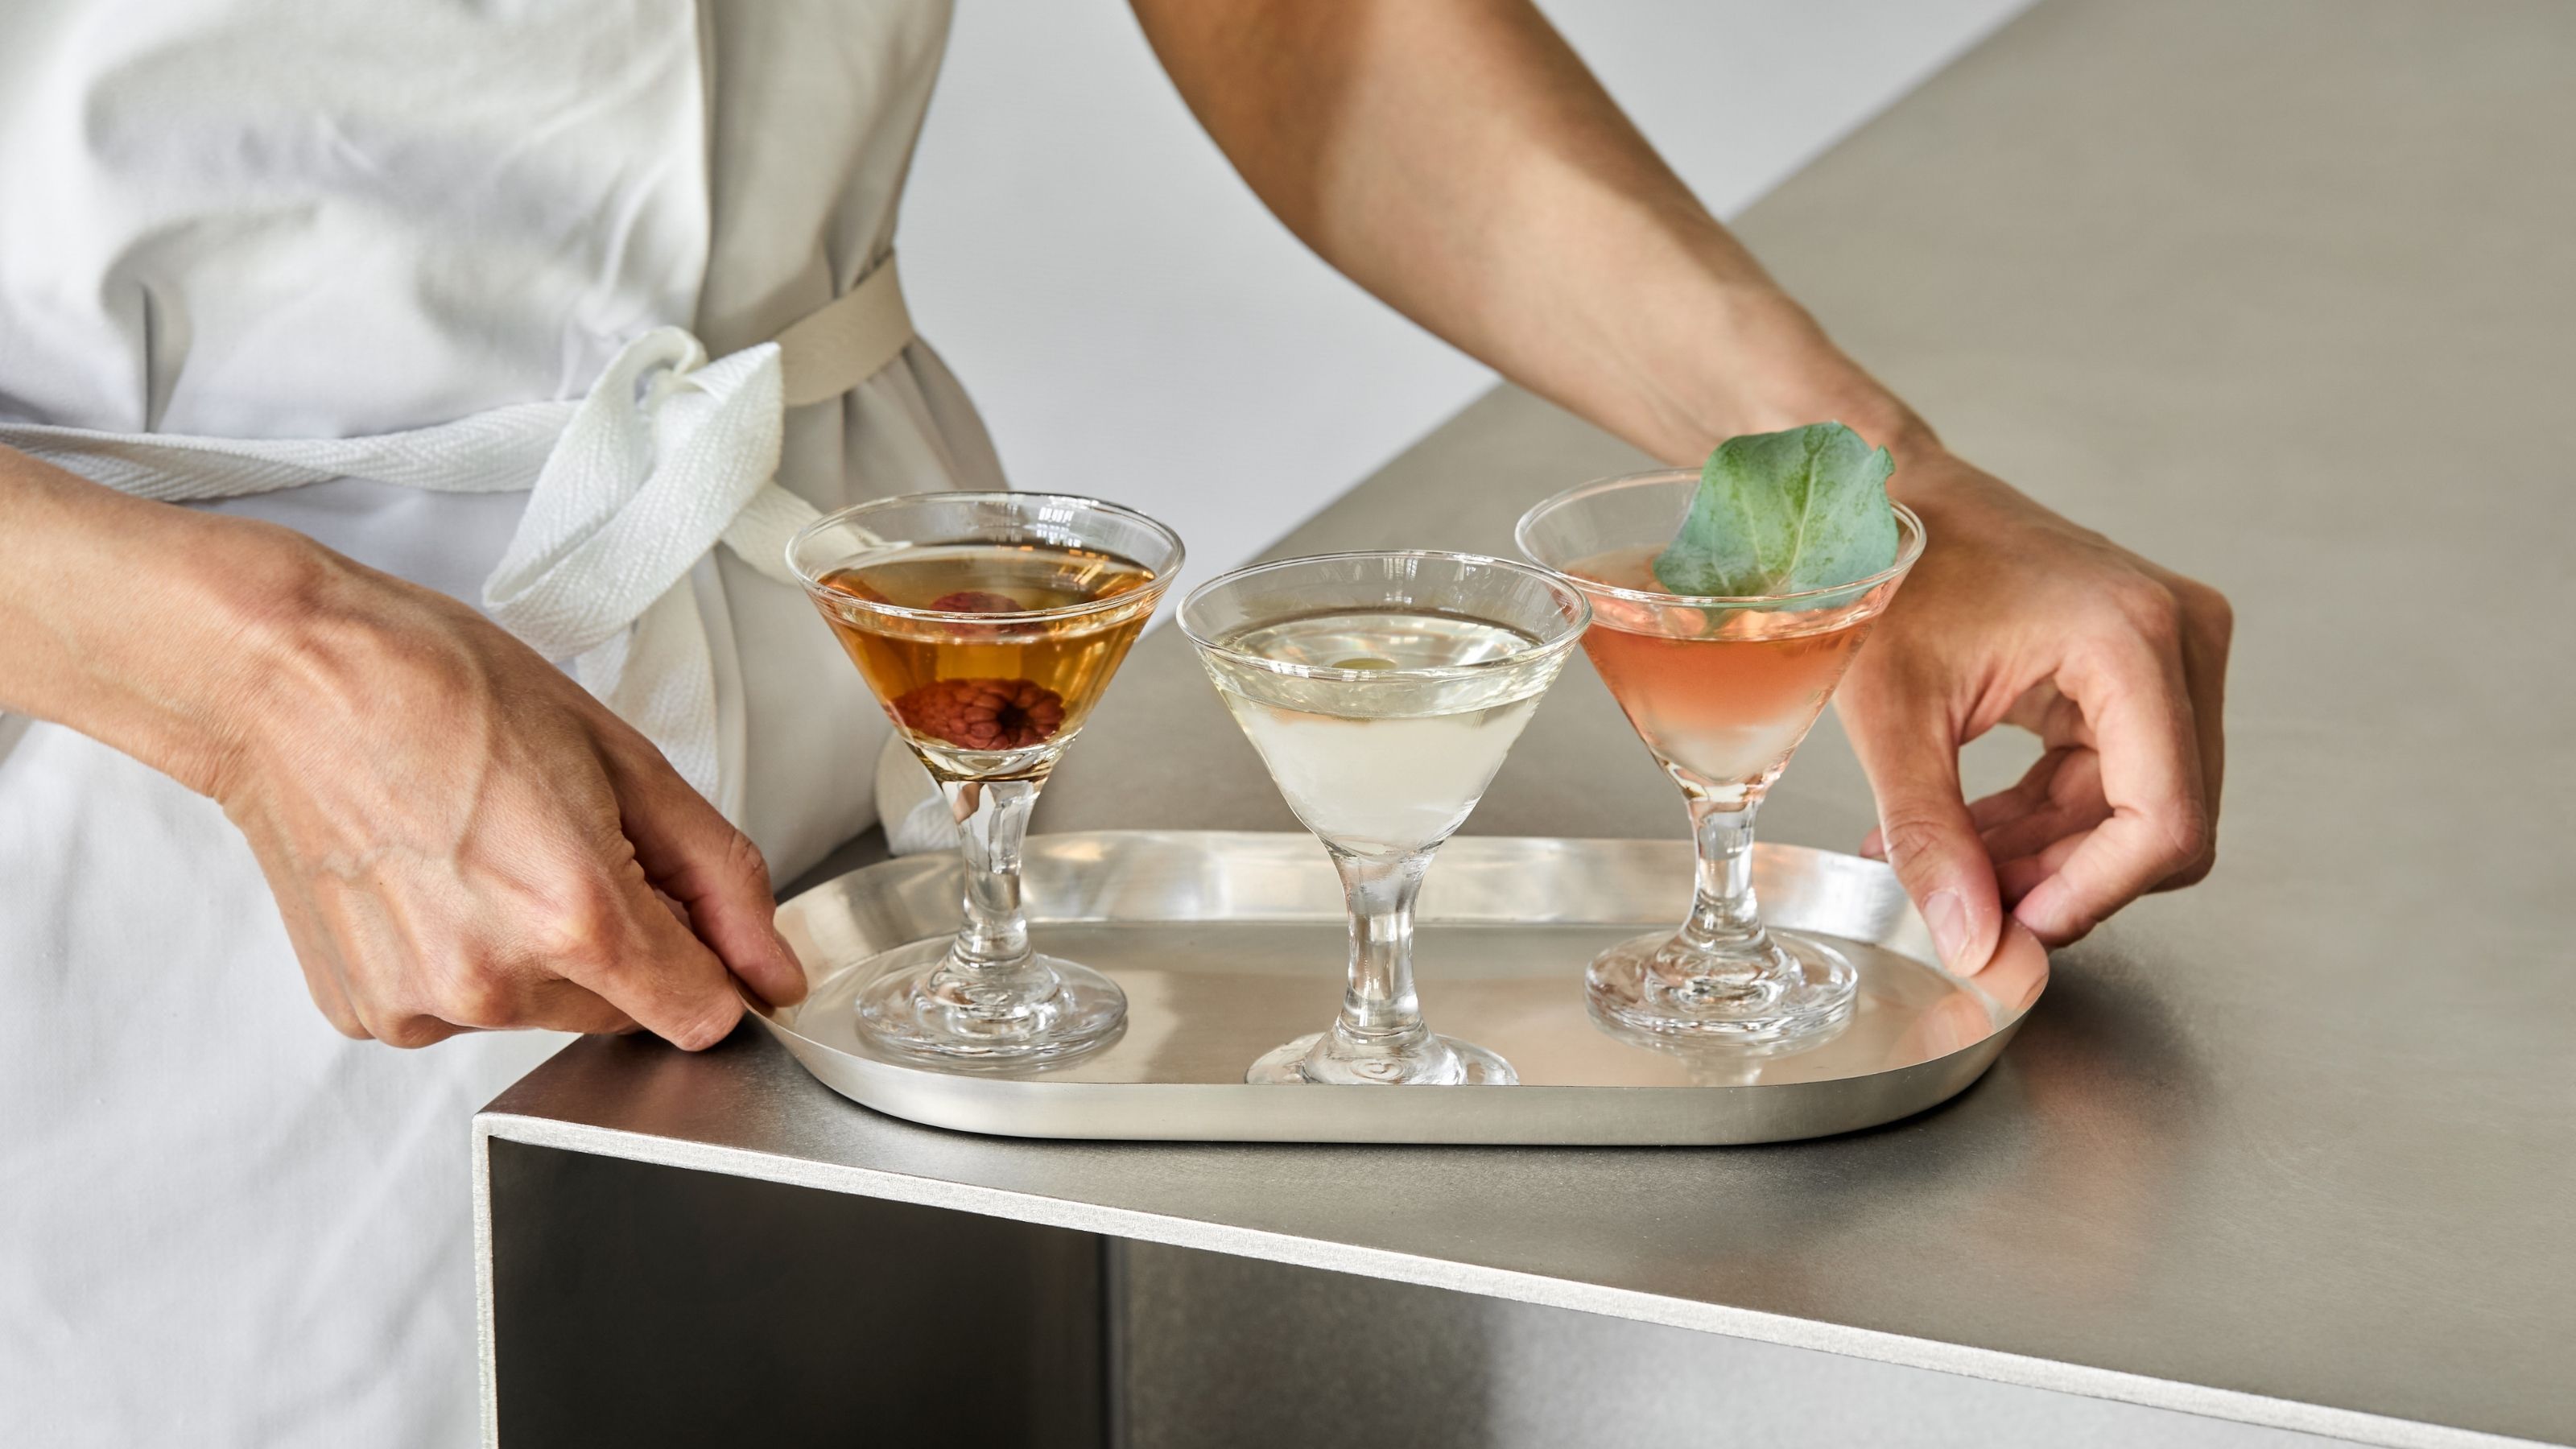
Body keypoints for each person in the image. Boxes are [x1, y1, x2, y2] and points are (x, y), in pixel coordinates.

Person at [0, 0, 2231, 1441]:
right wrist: (254, 670)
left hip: (856, 705)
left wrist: (1841, 482)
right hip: (129, 816)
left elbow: (1309, 24)